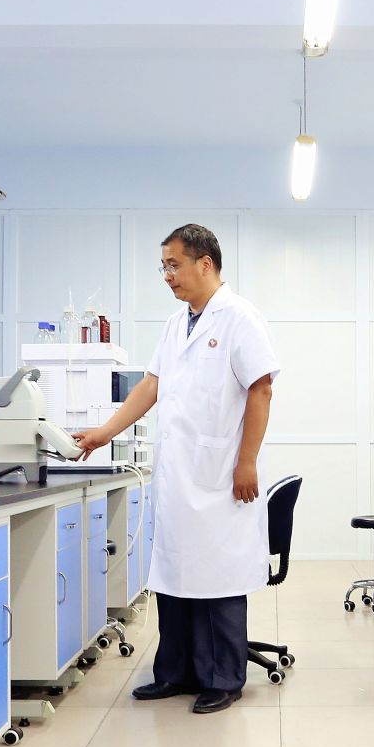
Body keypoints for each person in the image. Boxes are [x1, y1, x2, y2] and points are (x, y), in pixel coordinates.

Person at [71, 224, 279, 714]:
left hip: (222, 473)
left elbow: (261, 388)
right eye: (163, 266)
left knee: (218, 581)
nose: (167, 275)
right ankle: (176, 672)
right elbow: (151, 385)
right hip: (180, 474)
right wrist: (105, 432)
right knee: (175, 576)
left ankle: (223, 679)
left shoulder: (240, 317)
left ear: (204, 263)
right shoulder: (175, 323)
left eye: (173, 265)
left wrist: (247, 461)